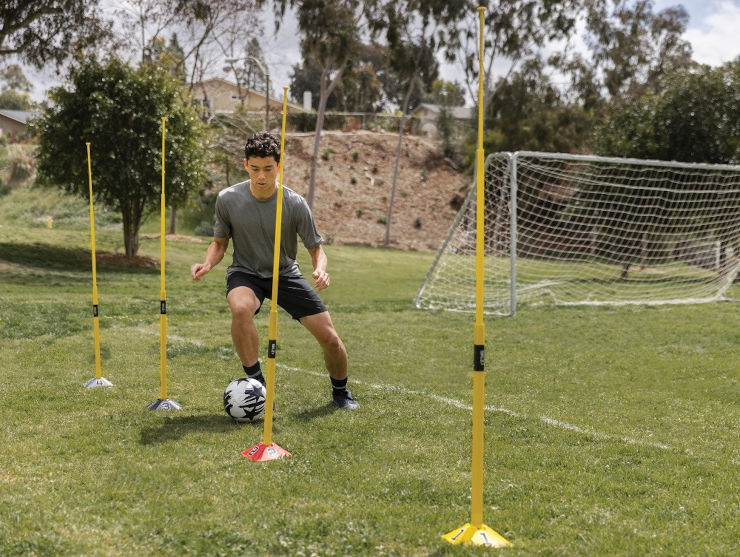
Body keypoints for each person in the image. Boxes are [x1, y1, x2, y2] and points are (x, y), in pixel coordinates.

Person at [190, 132, 358, 410]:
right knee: (240, 309)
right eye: (255, 168)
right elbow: (219, 243)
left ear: (279, 166)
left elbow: (316, 249)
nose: (261, 176)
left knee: (330, 338)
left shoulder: (294, 203)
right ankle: (258, 385)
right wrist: (207, 263)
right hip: (246, 272)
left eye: (268, 168)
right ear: (245, 164)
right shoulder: (228, 199)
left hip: (285, 274)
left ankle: (341, 393)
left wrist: (321, 270)